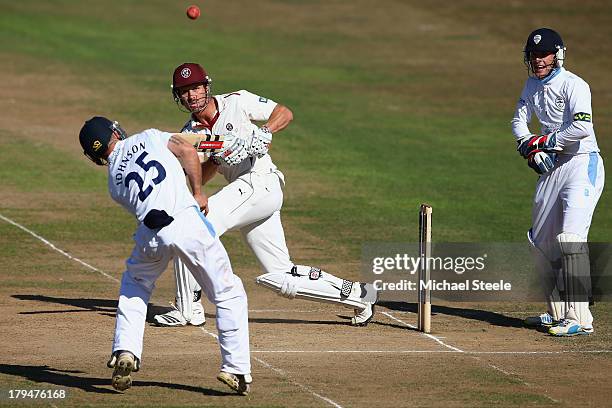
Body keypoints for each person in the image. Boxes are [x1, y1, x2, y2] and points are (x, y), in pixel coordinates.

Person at [153, 63, 377, 328]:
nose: (191, 96)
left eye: (195, 88)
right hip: (248, 195)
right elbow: (202, 175)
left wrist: (265, 132)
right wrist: (215, 159)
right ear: (177, 96)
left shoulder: (237, 101)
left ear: (206, 87)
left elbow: (285, 113)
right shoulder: (190, 134)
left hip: (260, 182)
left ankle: (188, 308)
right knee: (280, 275)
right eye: (184, 91)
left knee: (190, 228)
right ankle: (360, 295)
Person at [78, 116, 252, 394]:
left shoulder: (114, 182)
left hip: (150, 234)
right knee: (227, 291)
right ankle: (236, 368)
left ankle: (126, 350)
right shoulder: (149, 135)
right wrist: (198, 192)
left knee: (134, 287)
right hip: (186, 222)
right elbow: (187, 151)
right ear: (115, 131)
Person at [511, 28, 604, 336]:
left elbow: (580, 129)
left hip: (582, 164)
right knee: (539, 245)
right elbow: (518, 120)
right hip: (554, 168)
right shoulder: (531, 85)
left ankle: (580, 318)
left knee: (570, 239)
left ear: (558, 54)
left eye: (544, 54)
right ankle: (557, 314)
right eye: (534, 55)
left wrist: (543, 142)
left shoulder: (575, 85)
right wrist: (528, 148)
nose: (539, 60)